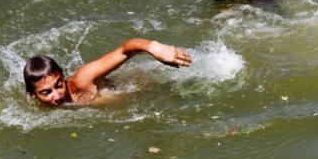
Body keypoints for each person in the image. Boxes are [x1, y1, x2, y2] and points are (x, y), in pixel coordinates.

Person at [23, 38, 192, 107]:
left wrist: (155, 48)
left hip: (147, 84)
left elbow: (126, 49)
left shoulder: (82, 80)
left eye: (58, 85)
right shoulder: (41, 107)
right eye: (46, 92)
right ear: (33, 95)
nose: (57, 95)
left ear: (62, 73)